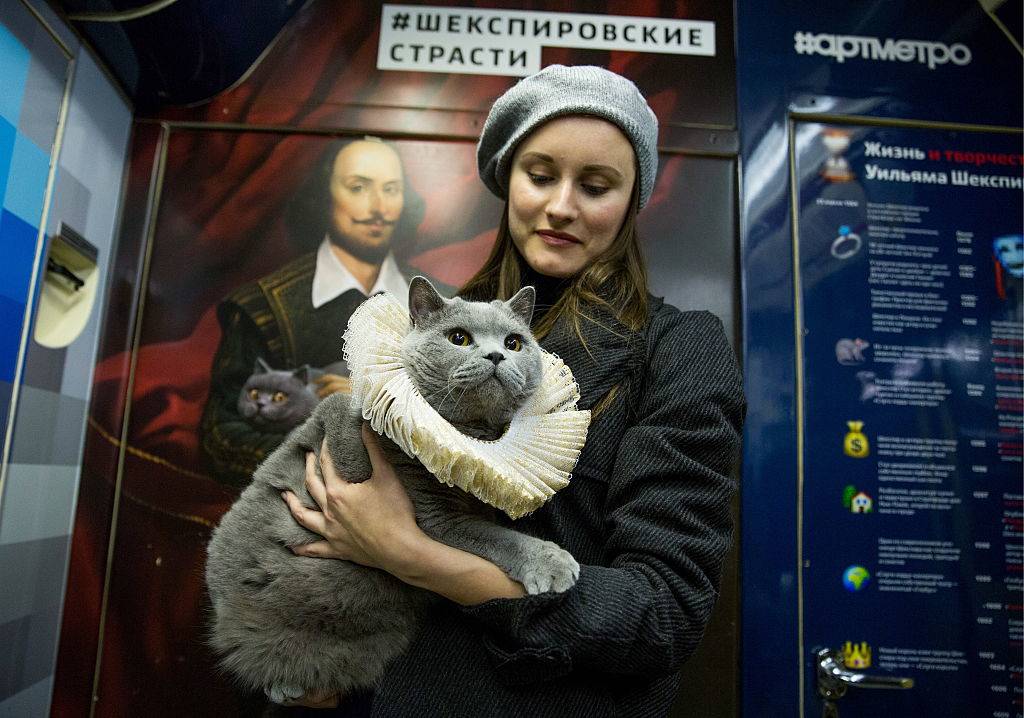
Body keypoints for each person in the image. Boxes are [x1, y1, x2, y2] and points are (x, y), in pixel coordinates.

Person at [281, 65, 746, 716]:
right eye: (540, 175)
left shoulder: (677, 349)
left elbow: (662, 612)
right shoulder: (430, 329)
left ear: (632, 199)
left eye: (596, 185)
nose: (561, 206)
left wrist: (415, 556)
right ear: (508, 182)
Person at [201, 137, 423, 487]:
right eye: (358, 187)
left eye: (392, 189)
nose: (379, 206)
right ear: (325, 196)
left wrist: (377, 403)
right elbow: (221, 440)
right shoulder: (261, 308)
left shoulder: (444, 305)